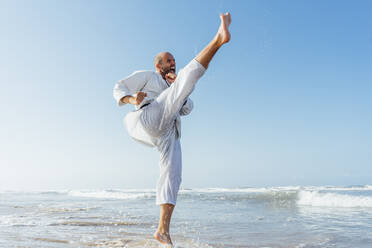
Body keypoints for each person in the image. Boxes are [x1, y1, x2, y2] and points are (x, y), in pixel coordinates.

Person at [113, 12, 231, 246]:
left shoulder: (173, 84)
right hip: (144, 118)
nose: (172, 63)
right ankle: (218, 39)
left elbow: (187, 109)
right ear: (158, 65)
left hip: (167, 132)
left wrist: (178, 86)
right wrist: (131, 99)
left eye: (174, 60)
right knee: (188, 77)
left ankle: (162, 231)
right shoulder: (148, 76)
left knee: (173, 176)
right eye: (168, 61)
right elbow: (119, 86)